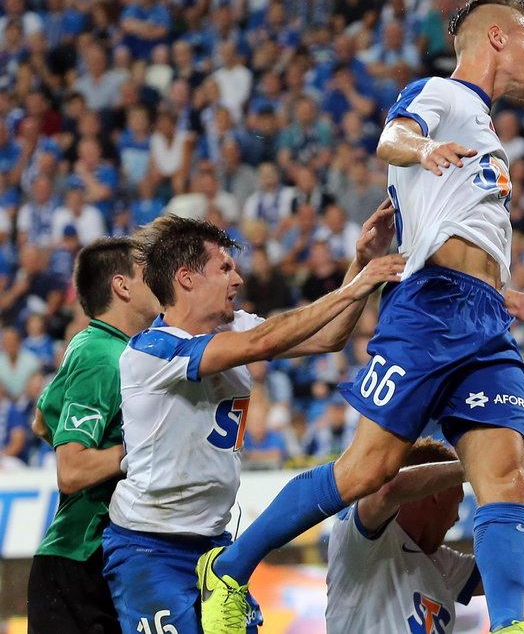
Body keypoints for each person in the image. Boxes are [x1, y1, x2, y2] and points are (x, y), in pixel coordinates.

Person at [198, 0, 524, 634]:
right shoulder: (443, 93)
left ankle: (511, 625)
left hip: (487, 318)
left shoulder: (488, 133)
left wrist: (514, 299)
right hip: (428, 309)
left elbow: (457, 230)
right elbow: (394, 135)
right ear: (496, 39)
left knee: (503, 477)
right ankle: (229, 568)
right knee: (368, 471)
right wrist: (420, 150)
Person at [103, 210, 406, 634]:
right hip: (149, 548)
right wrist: (357, 285)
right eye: (224, 268)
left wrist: (360, 263)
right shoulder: (150, 352)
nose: (237, 279)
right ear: (187, 278)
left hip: (215, 548)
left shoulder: (237, 326)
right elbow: (263, 343)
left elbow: (330, 336)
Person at [325, 439, 524, 633]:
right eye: (459, 497)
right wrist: (478, 469)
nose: (457, 515)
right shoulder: (360, 539)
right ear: (435, 493)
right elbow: (388, 489)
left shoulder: (440, 563)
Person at [27, 237, 161, 634]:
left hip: (93, 559)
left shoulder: (91, 343)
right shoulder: (102, 357)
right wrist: (136, 449)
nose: (158, 281)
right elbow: (71, 471)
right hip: (79, 560)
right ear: (121, 287)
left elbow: (41, 420)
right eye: (145, 274)